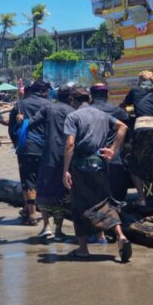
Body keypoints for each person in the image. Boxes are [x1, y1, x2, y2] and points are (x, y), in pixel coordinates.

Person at [62, 87, 132, 261]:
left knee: (78, 205)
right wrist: (113, 150)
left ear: (73, 100)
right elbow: (123, 127)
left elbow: (70, 144)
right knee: (104, 201)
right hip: (100, 164)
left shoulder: (73, 116)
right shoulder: (102, 115)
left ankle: (83, 249)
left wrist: (65, 171)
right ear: (89, 99)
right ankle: (120, 235)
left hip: (81, 166)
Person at [122, 70, 153, 223]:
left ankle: (142, 199)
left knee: (133, 163)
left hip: (141, 130)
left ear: (140, 81)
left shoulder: (135, 91)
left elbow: (123, 107)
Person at [31, 86, 77, 240]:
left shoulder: (48, 108)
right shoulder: (73, 111)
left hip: (49, 155)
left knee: (44, 190)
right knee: (62, 193)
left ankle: (46, 226)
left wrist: (21, 121)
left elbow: (31, 123)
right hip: (68, 158)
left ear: (57, 95)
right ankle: (58, 230)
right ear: (70, 97)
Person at [9, 82, 50, 225]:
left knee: (28, 180)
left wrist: (17, 143)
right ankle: (38, 212)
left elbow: (11, 129)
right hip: (46, 148)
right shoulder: (49, 104)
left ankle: (32, 214)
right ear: (42, 92)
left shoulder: (20, 105)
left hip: (27, 148)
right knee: (43, 180)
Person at [90, 83, 131, 204]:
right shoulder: (116, 110)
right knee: (117, 191)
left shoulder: (85, 111)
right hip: (113, 155)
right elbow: (127, 121)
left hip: (91, 155)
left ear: (91, 95)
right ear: (107, 94)